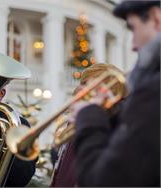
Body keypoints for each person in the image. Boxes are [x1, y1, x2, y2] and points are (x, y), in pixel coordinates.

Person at [71, 0, 160, 186]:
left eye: (134, 28)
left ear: (155, 17)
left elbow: (105, 180)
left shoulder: (152, 90)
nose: (133, 46)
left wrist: (89, 116)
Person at [50, 63, 127, 187]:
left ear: (109, 89)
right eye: (83, 83)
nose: (81, 90)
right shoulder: (81, 116)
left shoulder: (118, 120)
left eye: (89, 85)